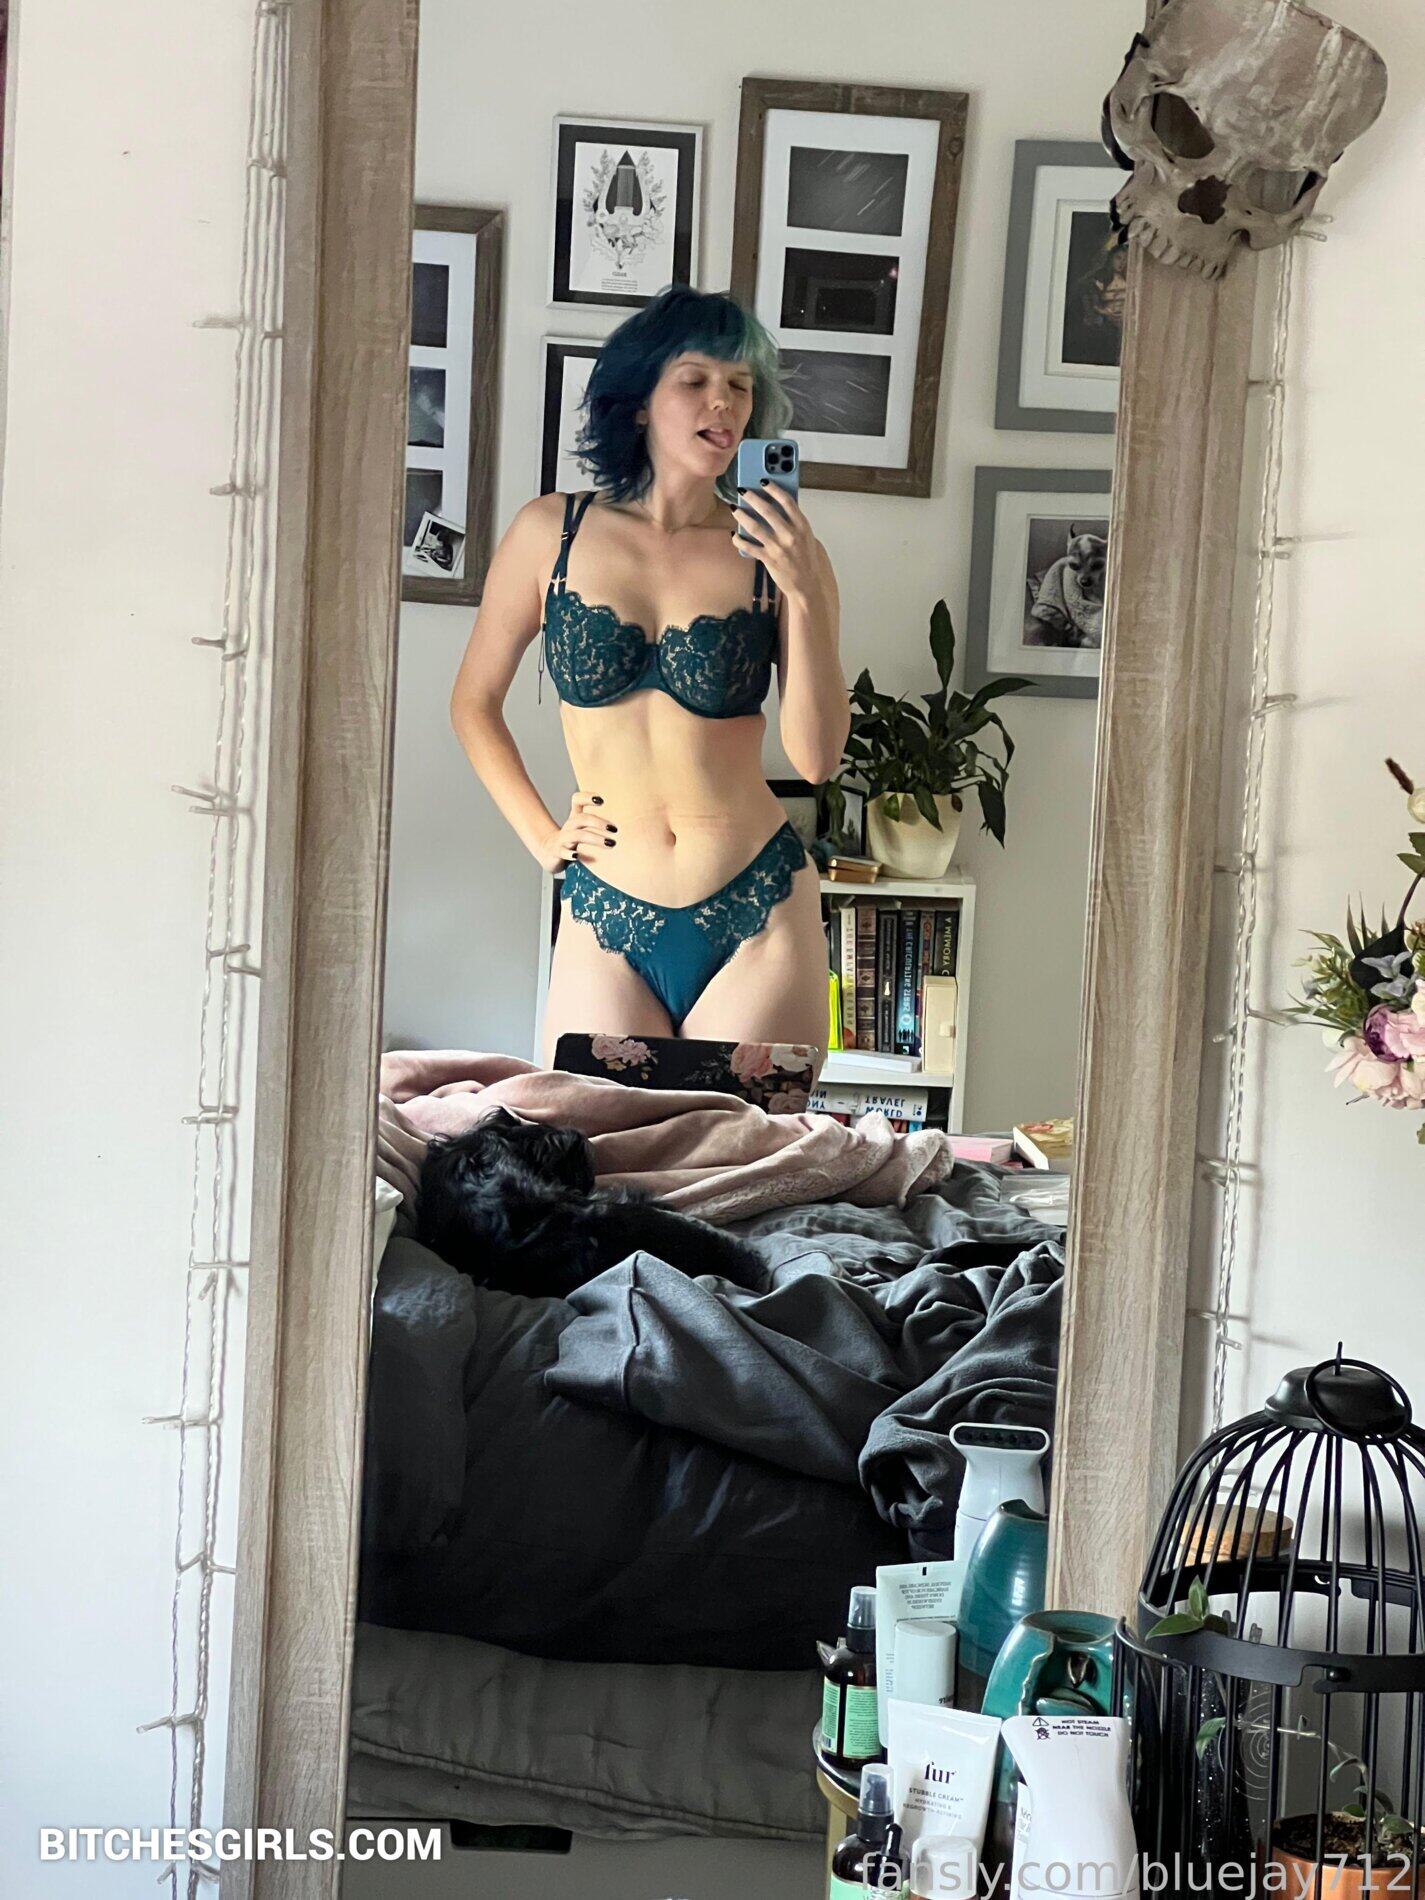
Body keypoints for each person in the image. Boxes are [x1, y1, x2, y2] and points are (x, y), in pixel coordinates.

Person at [451, 286, 848, 1063]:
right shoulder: (551, 532)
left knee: (739, 1138)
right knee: (594, 1134)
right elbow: (473, 703)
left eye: (739, 385)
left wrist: (804, 594)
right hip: (606, 909)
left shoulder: (781, 556)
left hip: (758, 905)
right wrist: (542, 838)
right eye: (694, 379)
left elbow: (816, 759)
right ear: (638, 403)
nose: (722, 402)